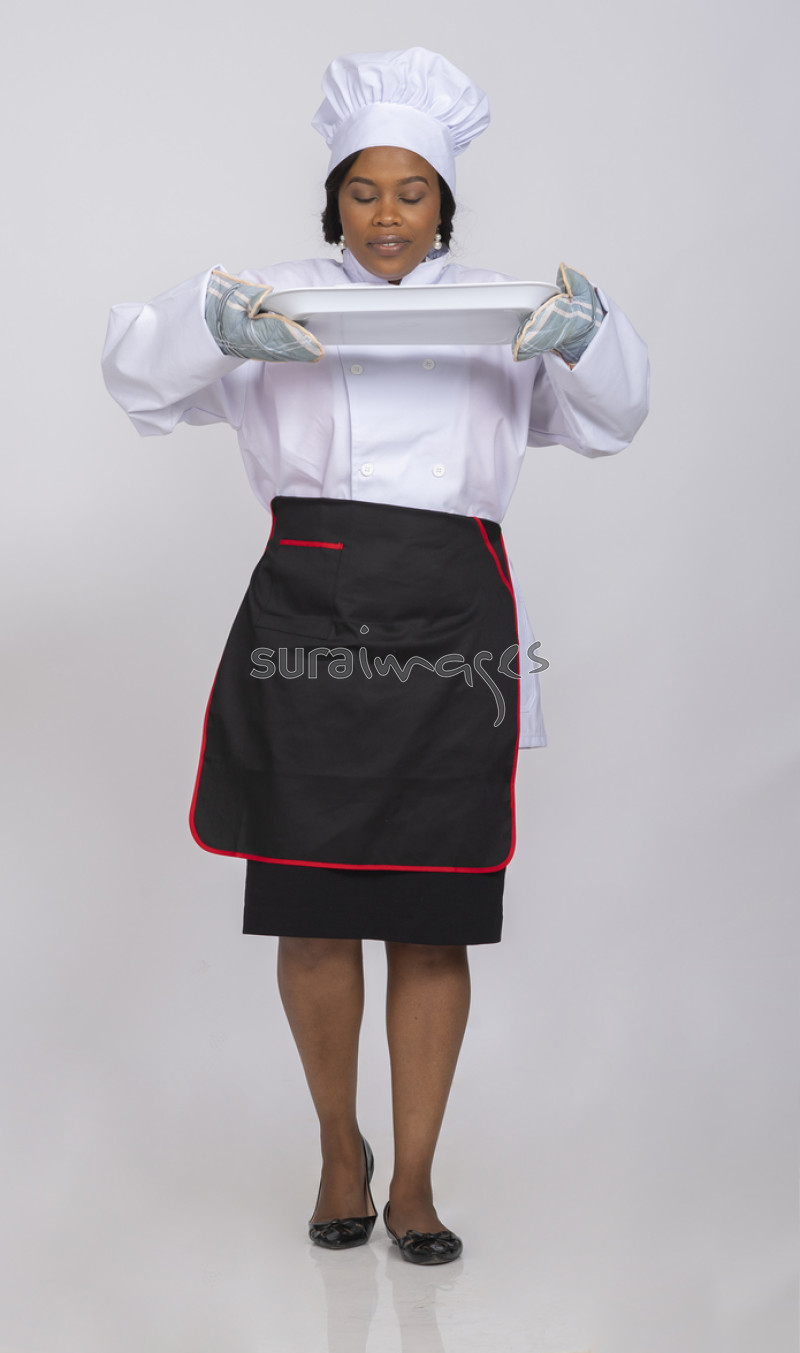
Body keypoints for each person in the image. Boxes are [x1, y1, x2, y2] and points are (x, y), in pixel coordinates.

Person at [102, 47, 649, 1265]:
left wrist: (589, 332)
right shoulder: (272, 301)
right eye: (363, 190)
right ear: (334, 198)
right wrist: (208, 325)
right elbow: (136, 381)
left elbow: (615, 419)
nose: (386, 214)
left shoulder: (503, 310)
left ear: (444, 201)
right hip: (306, 618)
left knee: (431, 918)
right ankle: (335, 1151)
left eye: (411, 191)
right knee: (311, 914)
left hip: (452, 630)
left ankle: (413, 1183)